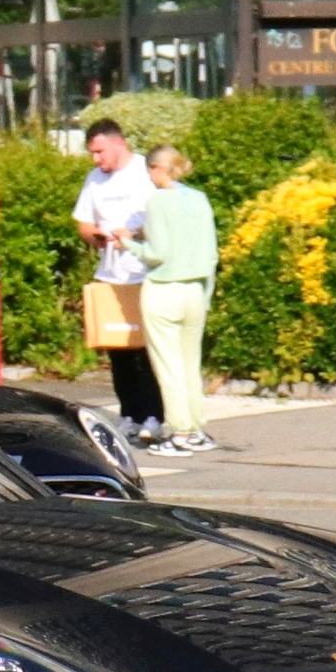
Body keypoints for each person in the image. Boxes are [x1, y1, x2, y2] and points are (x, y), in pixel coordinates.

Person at [109, 145, 220, 455]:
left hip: (164, 289)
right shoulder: (199, 199)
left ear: (158, 169)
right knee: (189, 364)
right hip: (195, 290)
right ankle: (196, 429)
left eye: (150, 171)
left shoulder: (158, 201)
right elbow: (211, 253)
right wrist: (206, 295)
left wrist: (128, 243)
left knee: (168, 366)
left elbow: (157, 254)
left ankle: (180, 433)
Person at [70, 118, 168, 442]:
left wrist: (133, 233)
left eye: (100, 152)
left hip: (142, 272)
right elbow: (83, 220)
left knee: (145, 349)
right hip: (110, 273)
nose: (96, 159)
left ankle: (153, 414)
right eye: (93, 153)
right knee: (119, 349)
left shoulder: (144, 172)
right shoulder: (95, 179)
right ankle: (130, 414)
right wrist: (93, 235)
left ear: (118, 143)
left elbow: (163, 215)